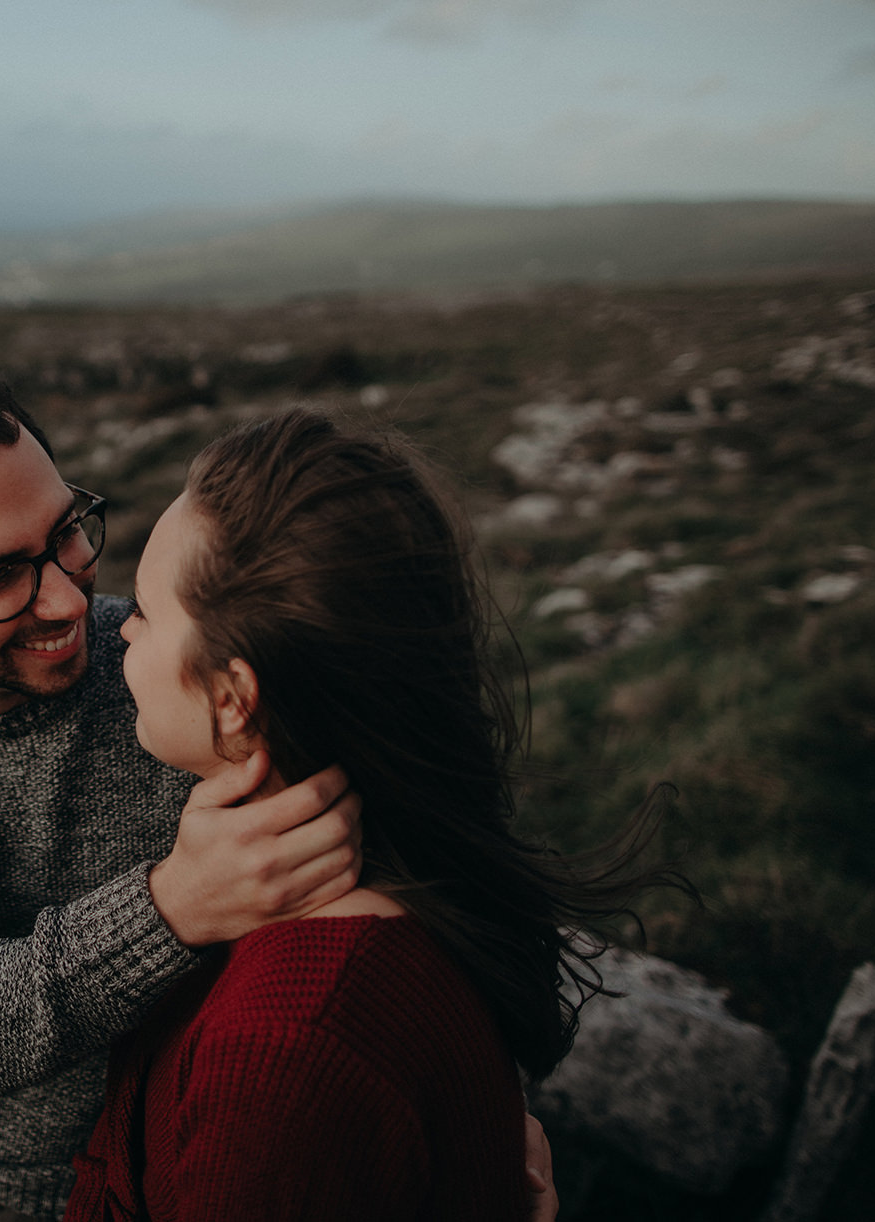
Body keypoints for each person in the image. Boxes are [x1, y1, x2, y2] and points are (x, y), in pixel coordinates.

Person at [0, 369, 558, 1221]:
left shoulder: (177, 673)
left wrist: (483, 1112)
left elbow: (413, 857)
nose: (69, 597)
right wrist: (171, 909)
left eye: (67, 531)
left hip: (157, 1146)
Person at [68, 409, 662, 1220]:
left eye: (143, 609)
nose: (120, 631)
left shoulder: (286, 1054)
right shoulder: (409, 870)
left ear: (234, 699)